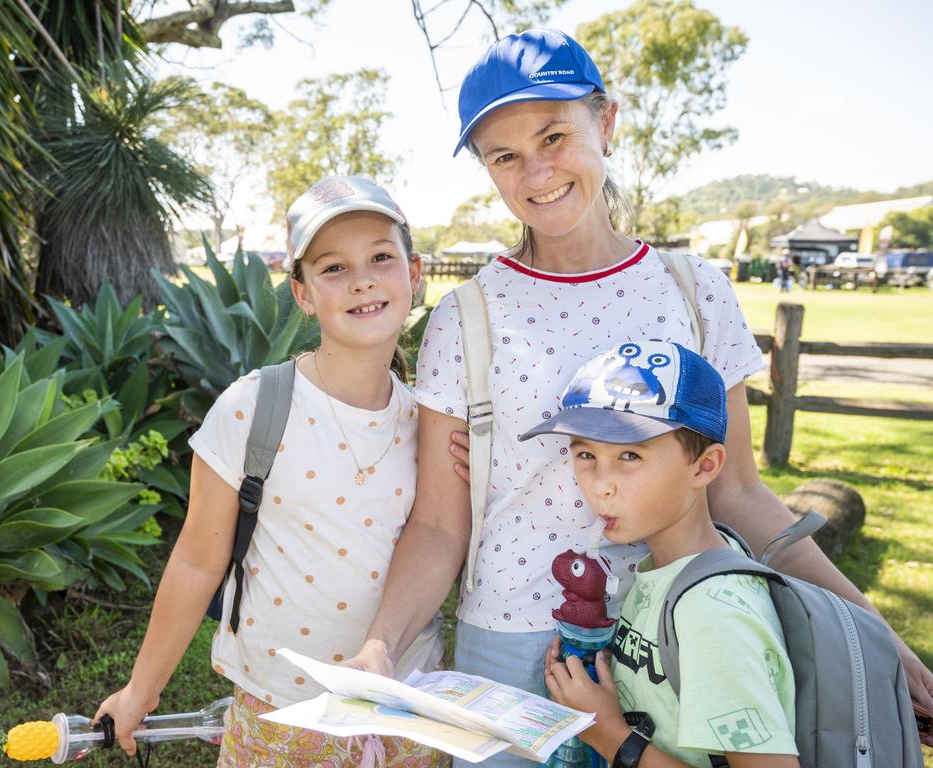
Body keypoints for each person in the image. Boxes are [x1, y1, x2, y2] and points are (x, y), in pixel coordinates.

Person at [347, 27, 933, 765]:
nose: (536, 172)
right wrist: (378, 647)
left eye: (554, 136)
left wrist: (869, 627)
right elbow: (438, 523)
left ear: (608, 123)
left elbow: (742, 494)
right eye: (505, 156)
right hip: (516, 652)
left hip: (688, 641)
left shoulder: (695, 291)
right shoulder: (467, 317)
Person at [96, 175, 449, 768]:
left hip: (406, 704)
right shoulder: (253, 406)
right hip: (279, 710)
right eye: (333, 268)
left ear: (413, 276)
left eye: (381, 258)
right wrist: (141, 691)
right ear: (304, 293)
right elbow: (195, 561)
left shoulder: (430, 421)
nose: (362, 279)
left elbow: (441, 534)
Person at [530, 340, 799, 768]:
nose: (600, 485)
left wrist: (612, 736)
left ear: (705, 466)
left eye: (630, 456)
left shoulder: (712, 614)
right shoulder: (663, 572)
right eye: (585, 454)